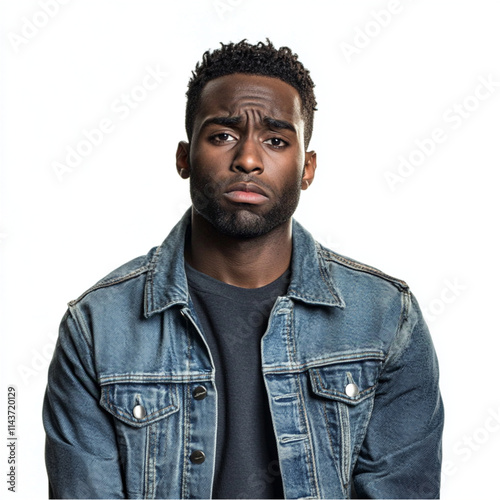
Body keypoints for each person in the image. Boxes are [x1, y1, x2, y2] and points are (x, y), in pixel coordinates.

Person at [43, 39, 444, 499]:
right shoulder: (98, 327)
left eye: (275, 140)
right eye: (223, 136)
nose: (248, 160)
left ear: (307, 168)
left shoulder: (386, 318)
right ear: (183, 158)